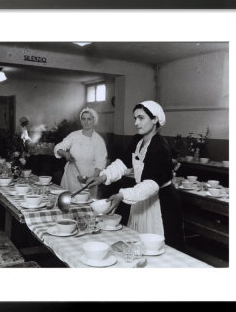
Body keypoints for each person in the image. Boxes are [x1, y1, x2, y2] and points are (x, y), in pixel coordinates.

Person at [87, 100, 184, 250]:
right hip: (141, 198)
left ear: (155, 119)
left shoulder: (160, 147)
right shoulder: (138, 140)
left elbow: (151, 184)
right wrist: (103, 176)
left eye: (141, 118)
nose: (137, 123)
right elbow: (123, 163)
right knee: (139, 243)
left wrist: (122, 195)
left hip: (161, 203)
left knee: (159, 247)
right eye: (135, 118)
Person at [54, 107, 108, 198]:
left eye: (89, 119)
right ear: (81, 120)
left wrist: (91, 180)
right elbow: (58, 148)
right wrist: (65, 154)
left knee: (84, 206)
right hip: (70, 178)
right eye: (83, 119)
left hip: (88, 182)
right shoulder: (74, 135)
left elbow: (100, 164)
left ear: (94, 120)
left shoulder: (98, 141)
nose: (86, 122)